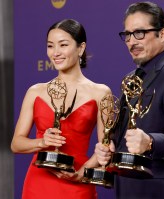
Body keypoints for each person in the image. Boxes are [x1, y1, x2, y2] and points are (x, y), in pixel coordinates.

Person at [95, 2, 164, 199]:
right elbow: (125, 134)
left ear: (162, 34)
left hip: (158, 191)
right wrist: (108, 147)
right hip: (126, 188)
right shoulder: (131, 78)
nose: (132, 41)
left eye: (140, 33)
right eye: (127, 35)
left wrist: (150, 141)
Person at [11, 19, 111, 199]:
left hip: (78, 180)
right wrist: (42, 142)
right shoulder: (35, 91)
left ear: (81, 48)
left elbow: (105, 145)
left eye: (63, 45)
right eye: (50, 46)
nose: (55, 53)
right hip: (39, 182)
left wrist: (82, 173)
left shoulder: (101, 92)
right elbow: (16, 144)